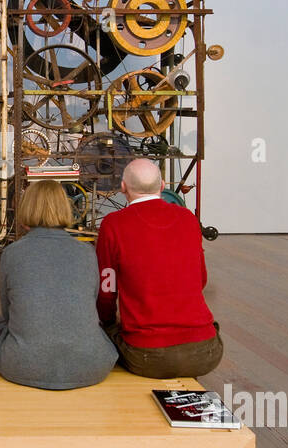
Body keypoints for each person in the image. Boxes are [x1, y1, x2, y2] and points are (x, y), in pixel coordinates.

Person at [0, 180, 117, 389]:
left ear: (27, 208)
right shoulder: (86, 253)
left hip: (22, 365)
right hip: (91, 365)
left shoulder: (13, 253)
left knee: (1, 324)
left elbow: (8, 313)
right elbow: (91, 304)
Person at [95, 158, 223, 379]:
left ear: (123, 187)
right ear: (162, 185)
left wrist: (106, 322)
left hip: (145, 356)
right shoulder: (188, 219)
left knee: (105, 332)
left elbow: (107, 290)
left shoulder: (113, 224)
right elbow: (201, 279)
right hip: (206, 352)